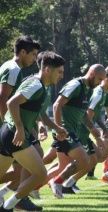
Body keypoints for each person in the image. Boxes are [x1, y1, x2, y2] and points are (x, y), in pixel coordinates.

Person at [0, 52, 67, 211]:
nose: (62, 76)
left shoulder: (40, 85)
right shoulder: (36, 84)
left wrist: (56, 128)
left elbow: (38, 111)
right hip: (13, 134)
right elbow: (12, 103)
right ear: (47, 70)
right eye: (59, 72)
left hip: (6, 133)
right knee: (40, 174)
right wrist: (20, 128)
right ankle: (9, 206)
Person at [48, 64, 106, 199]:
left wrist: (93, 129)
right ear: (91, 74)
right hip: (65, 131)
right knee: (85, 160)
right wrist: (58, 129)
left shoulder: (89, 89)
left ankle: (29, 189)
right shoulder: (75, 85)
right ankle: (56, 182)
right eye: (99, 79)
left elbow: (84, 113)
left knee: (61, 166)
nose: (100, 83)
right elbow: (57, 104)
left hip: (71, 131)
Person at [0, 36, 41, 211]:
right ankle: (19, 199)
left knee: (20, 170)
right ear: (22, 52)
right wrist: (9, 125)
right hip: (6, 126)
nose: (34, 59)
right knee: (29, 167)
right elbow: (3, 98)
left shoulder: (7, 66)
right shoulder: (14, 69)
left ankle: (16, 197)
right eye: (32, 54)